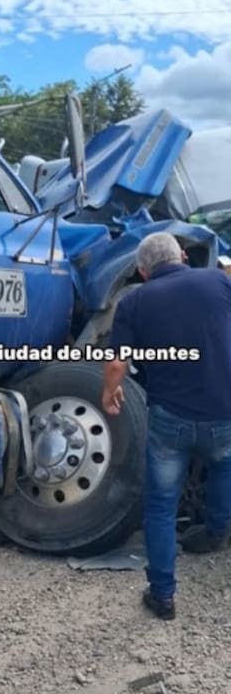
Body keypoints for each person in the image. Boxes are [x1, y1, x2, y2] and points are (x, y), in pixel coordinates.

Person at [102, 232, 231, 622]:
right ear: (182, 257)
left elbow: (116, 363)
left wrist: (109, 394)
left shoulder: (134, 301)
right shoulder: (216, 280)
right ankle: (216, 531)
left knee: (160, 504)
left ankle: (163, 596)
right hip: (223, 411)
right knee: (224, 468)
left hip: (169, 418)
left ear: (143, 272)